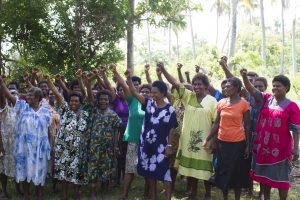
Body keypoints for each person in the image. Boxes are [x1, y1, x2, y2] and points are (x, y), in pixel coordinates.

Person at [158, 63, 217, 200]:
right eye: (195, 84)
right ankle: (192, 194)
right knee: (190, 169)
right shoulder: (188, 97)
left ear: (206, 86)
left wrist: (212, 139)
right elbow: (175, 83)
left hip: (205, 140)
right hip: (187, 140)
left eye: (200, 84)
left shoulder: (212, 101)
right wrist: (164, 69)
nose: (197, 87)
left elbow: (216, 122)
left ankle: (208, 195)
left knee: (205, 169)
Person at [243, 72, 300, 200]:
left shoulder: (292, 106)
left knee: (281, 179)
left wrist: (295, 149)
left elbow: (296, 130)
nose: (275, 88)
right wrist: (244, 77)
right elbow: (251, 89)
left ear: (286, 87)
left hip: (280, 150)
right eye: (273, 85)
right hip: (263, 147)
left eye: (278, 86)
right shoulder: (266, 99)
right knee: (264, 177)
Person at [125, 69, 178, 200]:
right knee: (149, 172)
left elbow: (172, 128)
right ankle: (153, 196)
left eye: (155, 92)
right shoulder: (148, 104)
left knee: (165, 173)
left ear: (163, 93)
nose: (152, 94)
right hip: (146, 145)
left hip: (162, 146)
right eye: (151, 92)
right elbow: (133, 92)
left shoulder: (170, 109)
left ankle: (167, 198)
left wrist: (170, 145)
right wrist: (129, 78)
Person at [0, 76, 52, 200]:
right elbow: (9, 96)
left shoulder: (45, 111)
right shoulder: (22, 107)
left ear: (38, 98)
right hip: (24, 148)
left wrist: (50, 145)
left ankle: (40, 195)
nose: (27, 97)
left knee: (40, 171)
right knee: (24, 170)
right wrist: (1, 82)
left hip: (40, 148)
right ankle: (26, 196)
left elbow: (48, 129)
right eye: (27, 95)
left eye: (31, 95)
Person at [203, 77, 251, 200]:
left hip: (238, 143)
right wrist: (208, 138)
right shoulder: (221, 103)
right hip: (222, 143)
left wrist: (248, 145)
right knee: (223, 171)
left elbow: (247, 125)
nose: (225, 88)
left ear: (236, 88)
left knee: (237, 173)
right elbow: (216, 123)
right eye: (224, 87)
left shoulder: (244, 103)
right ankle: (225, 197)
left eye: (228, 86)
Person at [111, 64, 152, 200]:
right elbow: (123, 84)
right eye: (143, 90)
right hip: (133, 139)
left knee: (147, 169)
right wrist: (117, 72)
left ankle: (146, 194)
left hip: (148, 141)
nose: (145, 93)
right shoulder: (132, 100)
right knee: (129, 168)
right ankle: (124, 195)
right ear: (138, 90)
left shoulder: (153, 104)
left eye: (148, 91)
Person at [47, 74, 89, 200]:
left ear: (80, 102)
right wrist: (50, 81)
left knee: (78, 172)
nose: (73, 102)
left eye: (76, 101)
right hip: (63, 148)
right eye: (72, 100)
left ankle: (77, 194)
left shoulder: (86, 114)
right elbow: (58, 94)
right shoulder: (65, 110)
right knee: (64, 173)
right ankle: (64, 195)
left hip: (78, 149)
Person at [84, 69, 122, 199]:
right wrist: (88, 82)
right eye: (101, 99)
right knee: (93, 167)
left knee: (107, 166)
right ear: (98, 100)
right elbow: (89, 95)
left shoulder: (113, 114)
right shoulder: (94, 110)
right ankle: (92, 192)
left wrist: (116, 146)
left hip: (108, 146)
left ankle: (105, 190)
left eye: (105, 99)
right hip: (94, 145)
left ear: (109, 100)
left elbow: (117, 130)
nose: (103, 101)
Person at [0, 84, 22, 198]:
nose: (12, 95)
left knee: (17, 166)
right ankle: (4, 191)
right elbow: (3, 97)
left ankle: (18, 189)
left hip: (18, 144)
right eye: (10, 92)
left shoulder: (21, 108)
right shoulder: (4, 108)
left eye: (14, 93)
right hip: (5, 143)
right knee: (3, 168)